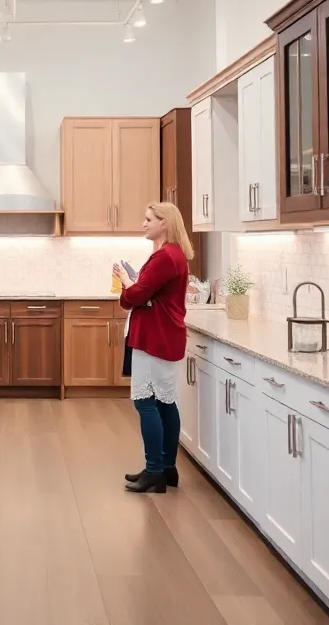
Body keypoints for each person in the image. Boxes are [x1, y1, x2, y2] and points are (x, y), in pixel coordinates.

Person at [114, 201, 194, 494]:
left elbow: (134, 295)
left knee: (145, 402)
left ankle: (154, 471)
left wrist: (125, 281)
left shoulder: (164, 257)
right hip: (163, 336)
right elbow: (143, 294)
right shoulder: (172, 255)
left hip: (153, 337)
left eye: (149, 219)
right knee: (164, 402)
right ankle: (166, 468)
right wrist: (136, 291)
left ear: (165, 222)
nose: (144, 223)